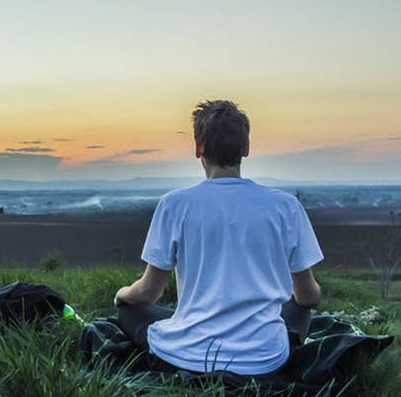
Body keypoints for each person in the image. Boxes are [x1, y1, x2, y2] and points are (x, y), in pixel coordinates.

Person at [113, 100, 323, 376]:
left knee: (129, 311)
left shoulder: (174, 204)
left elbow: (149, 293)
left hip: (189, 355)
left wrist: (122, 295)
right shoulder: (286, 206)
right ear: (246, 149)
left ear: (198, 148)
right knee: (299, 308)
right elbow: (308, 297)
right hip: (264, 359)